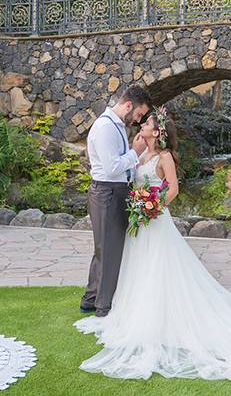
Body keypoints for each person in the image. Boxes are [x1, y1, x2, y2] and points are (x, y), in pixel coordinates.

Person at [75, 107, 231, 380]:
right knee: (138, 269)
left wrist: (153, 208)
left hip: (154, 221)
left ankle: (162, 320)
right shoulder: (142, 153)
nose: (141, 125)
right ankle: (133, 315)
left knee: (159, 268)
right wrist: (138, 199)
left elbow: (173, 188)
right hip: (140, 225)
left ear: (157, 131)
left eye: (146, 123)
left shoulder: (164, 156)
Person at [80, 84, 152, 318]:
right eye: (139, 114)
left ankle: (91, 298)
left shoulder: (117, 125)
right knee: (109, 251)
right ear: (128, 105)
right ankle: (103, 307)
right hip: (107, 192)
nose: (138, 120)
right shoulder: (105, 128)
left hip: (114, 191)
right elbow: (111, 168)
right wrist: (135, 151)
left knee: (103, 248)